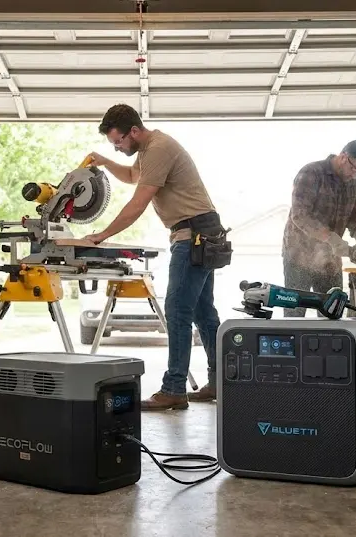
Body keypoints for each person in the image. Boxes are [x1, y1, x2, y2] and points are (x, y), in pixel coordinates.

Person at [82, 104, 224, 410]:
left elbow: (138, 202)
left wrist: (101, 235)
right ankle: (220, 382)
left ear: (134, 131)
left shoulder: (158, 149)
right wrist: (105, 162)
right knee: (203, 313)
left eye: (118, 142)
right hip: (203, 231)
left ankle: (174, 388)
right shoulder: (148, 151)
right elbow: (133, 176)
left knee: (177, 311)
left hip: (194, 235)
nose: (117, 147)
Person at [281, 140, 356, 317]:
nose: (355, 175)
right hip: (299, 257)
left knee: (332, 312)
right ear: (343, 157)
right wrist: (331, 238)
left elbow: (355, 214)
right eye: (354, 168)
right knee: (295, 314)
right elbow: (300, 216)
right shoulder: (311, 173)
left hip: (330, 260)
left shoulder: (353, 183)